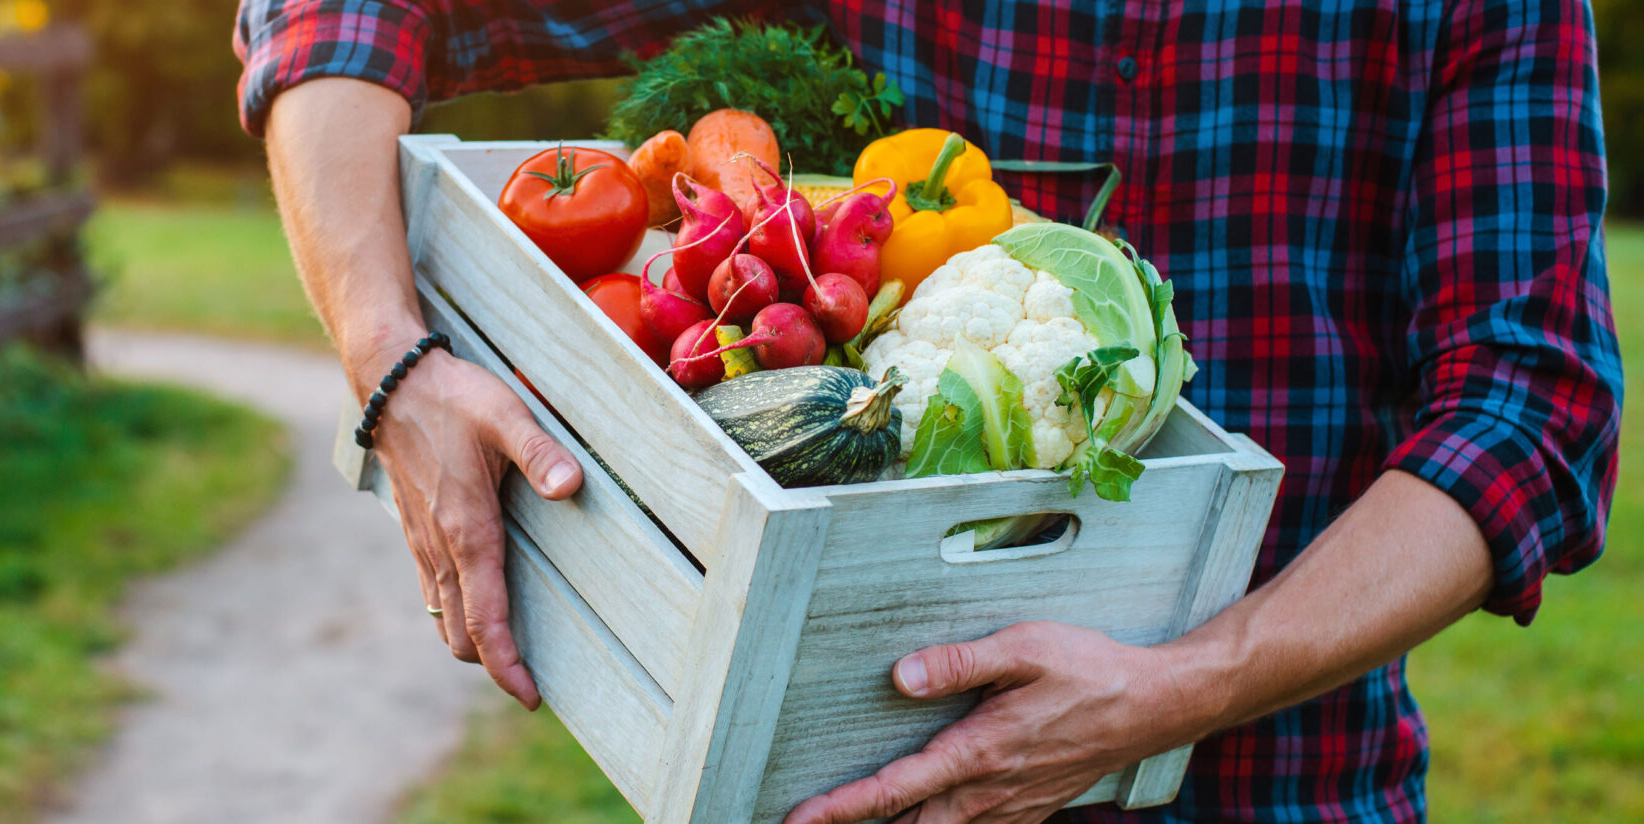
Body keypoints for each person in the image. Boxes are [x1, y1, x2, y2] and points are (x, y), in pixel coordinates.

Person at [232, 1, 1620, 821]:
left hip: (1288, 776)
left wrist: (1181, 690)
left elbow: (1530, 405)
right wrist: (389, 364)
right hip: (859, 770)